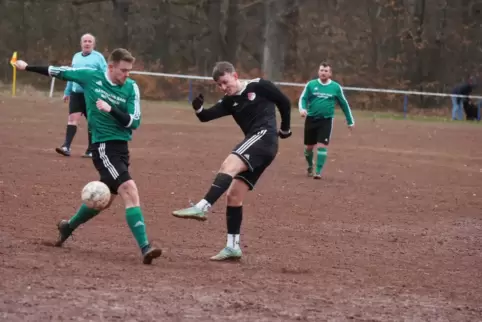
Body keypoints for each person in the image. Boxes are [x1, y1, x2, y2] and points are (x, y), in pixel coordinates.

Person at [14, 48, 162, 265]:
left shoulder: (131, 87)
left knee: (104, 200)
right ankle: (145, 247)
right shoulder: (91, 77)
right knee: (129, 189)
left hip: (121, 148)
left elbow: (134, 122)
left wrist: (111, 109)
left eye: (129, 71)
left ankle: (68, 226)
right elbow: (60, 72)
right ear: (110, 67)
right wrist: (27, 67)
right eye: (123, 70)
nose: (127, 75)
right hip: (103, 147)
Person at [171, 61, 292, 261]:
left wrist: (285, 128)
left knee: (229, 163)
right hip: (261, 146)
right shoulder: (229, 101)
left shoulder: (258, 86)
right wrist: (199, 109)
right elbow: (207, 116)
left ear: (234, 75)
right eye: (219, 85)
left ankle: (202, 207)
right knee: (234, 196)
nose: (223, 87)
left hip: (264, 137)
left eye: (225, 82)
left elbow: (284, 102)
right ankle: (232, 247)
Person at [298, 62, 354, 179]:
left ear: (330, 74)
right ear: (318, 72)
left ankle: (318, 172)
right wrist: (302, 109)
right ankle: (310, 166)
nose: (323, 73)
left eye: (326, 71)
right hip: (311, 119)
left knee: (322, 146)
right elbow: (303, 98)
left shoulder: (335, 87)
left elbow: (344, 104)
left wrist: (350, 121)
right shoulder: (311, 85)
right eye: (321, 70)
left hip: (326, 120)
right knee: (309, 147)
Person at [57, 33, 107, 158]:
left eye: (90, 41)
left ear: (93, 44)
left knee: (91, 121)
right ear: (81, 43)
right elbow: (71, 75)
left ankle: (91, 150)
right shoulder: (76, 57)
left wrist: (103, 91)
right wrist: (67, 91)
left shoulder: (99, 58)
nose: (87, 43)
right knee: (72, 119)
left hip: (91, 94)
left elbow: (105, 75)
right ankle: (66, 146)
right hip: (76, 93)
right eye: (85, 41)